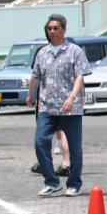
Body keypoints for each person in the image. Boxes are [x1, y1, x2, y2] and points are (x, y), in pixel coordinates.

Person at [26, 14, 91, 197]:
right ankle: (51, 182)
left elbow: (80, 76)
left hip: (70, 108)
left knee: (74, 148)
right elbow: (36, 76)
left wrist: (72, 97)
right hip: (47, 108)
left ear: (64, 29)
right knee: (40, 142)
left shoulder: (75, 51)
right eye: (50, 28)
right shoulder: (42, 53)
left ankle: (74, 184)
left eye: (56, 28)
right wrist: (30, 93)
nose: (52, 31)